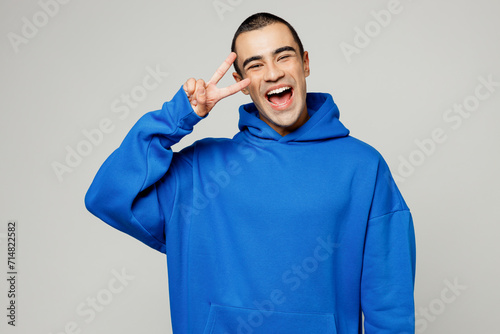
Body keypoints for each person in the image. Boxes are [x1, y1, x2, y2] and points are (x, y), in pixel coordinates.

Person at [85, 12, 416, 334]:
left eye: (283, 57)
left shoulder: (363, 167)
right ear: (241, 83)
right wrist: (178, 117)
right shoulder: (200, 169)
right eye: (255, 65)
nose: (272, 73)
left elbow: (390, 303)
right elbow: (107, 196)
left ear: (305, 64)